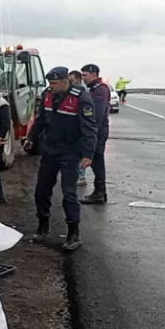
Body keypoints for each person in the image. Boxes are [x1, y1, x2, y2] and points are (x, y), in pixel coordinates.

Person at [23, 67, 97, 251]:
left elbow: (89, 127)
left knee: (68, 193)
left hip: (71, 151)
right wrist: (31, 138)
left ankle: (73, 233)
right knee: (41, 190)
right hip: (50, 149)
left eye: (55, 83)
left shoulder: (80, 97)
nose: (51, 86)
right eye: (50, 83)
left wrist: (88, 154)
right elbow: (41, 120)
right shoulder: (48, 95)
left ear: (66, 81)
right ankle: (43, 225)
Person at [80, 64, 112, 205]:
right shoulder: (93, 89)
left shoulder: (101, 90)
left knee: (97, 161)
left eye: (85, 75)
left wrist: (91, 134)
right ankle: (99, 192)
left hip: (98, 130)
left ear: (94, 75)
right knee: (96, 161)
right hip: (95, 130)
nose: (83, 78)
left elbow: (97, 115)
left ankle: (99, 193)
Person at [68, 70, 88, 187]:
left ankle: (81, 176)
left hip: (81, 128)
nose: (70, 83)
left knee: (80, 153)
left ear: (78, 80)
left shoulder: (82, 92)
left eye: (72, 80)